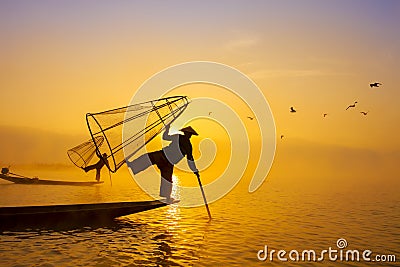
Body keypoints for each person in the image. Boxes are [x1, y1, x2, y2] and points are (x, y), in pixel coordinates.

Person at [127, 125, 200, 202]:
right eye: (187, 134)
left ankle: (167, 197)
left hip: (168, 162)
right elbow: (165, 137)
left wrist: (194, 170)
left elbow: (190, 160)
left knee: (167, 179)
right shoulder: (179, 137)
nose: (188, 135)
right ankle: (132, 165)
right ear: (185, 133)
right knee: (148, 157)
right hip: (163, 156)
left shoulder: (187, 145)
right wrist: (167, 129)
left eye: (189, 134)